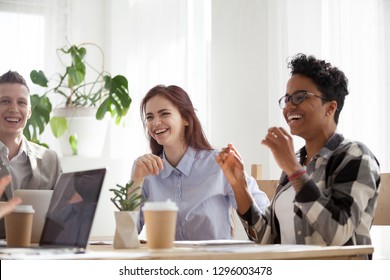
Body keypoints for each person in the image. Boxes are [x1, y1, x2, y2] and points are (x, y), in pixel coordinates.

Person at [216, 54, 380, 250]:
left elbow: (338, 234)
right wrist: (239, 184)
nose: (289, 106)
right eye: (287, 98)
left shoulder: (355, 155)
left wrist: (294, 171)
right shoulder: (295, 163)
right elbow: (266, 238)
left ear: (330, 107)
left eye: (300, 97)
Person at [131, 85, 270, 240]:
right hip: (167, 263)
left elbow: (265, 223)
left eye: (164, 114)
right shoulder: (146, 172)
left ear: (186, 118)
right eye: (149, 117)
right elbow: (126, 235)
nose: (155, 123)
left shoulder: (220, 164)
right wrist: (135, 181)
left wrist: (240, 183)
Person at [0, 70, 62, 238]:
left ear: (29, 111)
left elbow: (62, 218)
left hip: (37, 254)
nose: (14, 109)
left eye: (21, 102)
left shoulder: (51, 160)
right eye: (5, 101)